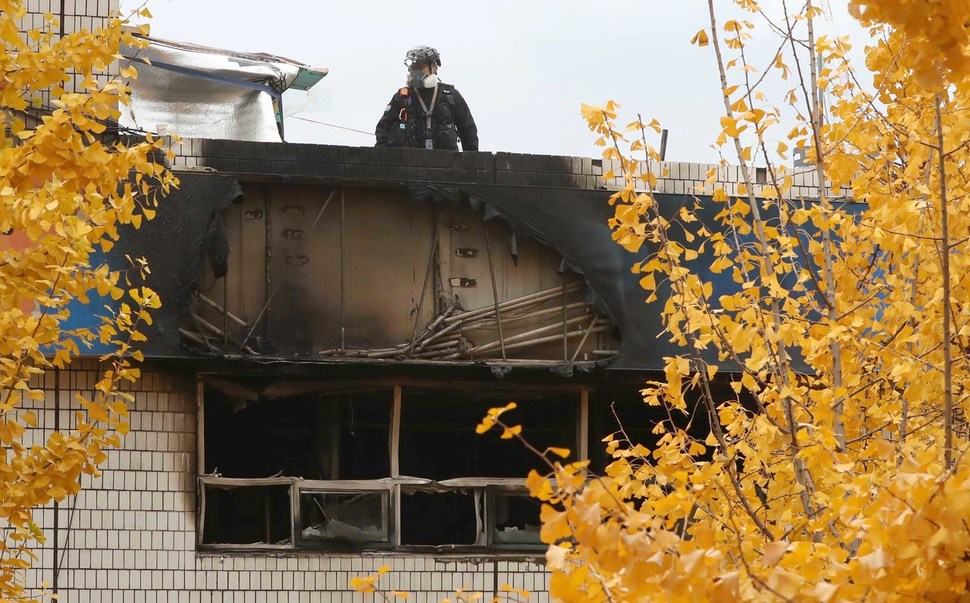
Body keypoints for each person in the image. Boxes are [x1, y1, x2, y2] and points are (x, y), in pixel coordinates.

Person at [375, 46, 479, 151]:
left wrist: (470, 162)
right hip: (409, 163)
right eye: (413, 68)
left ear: (434, 67)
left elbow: (468, 130)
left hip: (446, 163)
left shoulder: (450, 96)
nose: (417, 72)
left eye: (421, 67)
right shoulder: (402, 98)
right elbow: (383, 129)